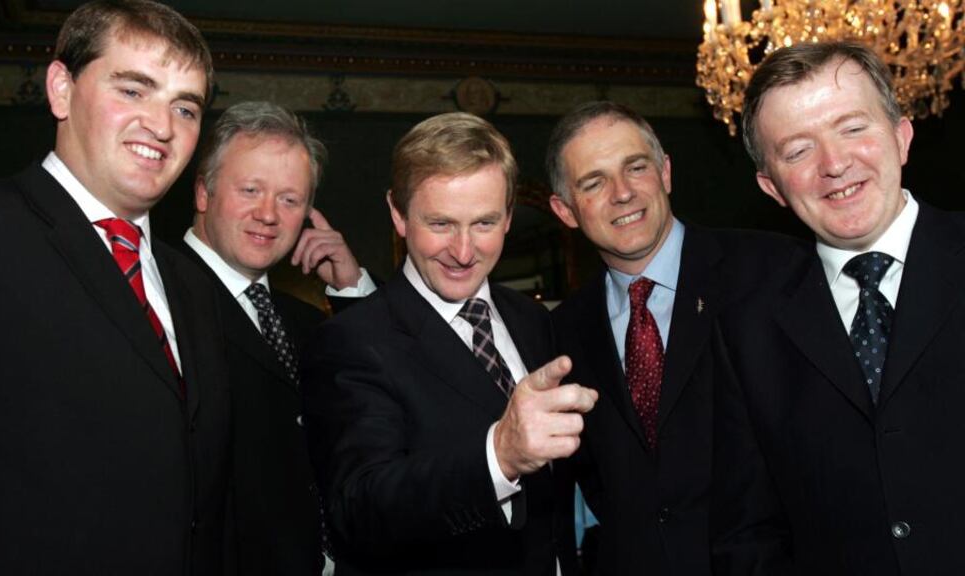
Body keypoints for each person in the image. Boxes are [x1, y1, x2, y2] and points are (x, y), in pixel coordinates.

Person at [0, 1, 230, 574]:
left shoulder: (193, 286)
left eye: (185, 107)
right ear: (61, 90)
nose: (162, 126)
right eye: (133, 90)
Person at [301, 112, 598, 576]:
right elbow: (360, 510)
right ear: (398, 214)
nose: (462, 252)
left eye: (484, 223)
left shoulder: (532, 320)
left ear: (508, 216)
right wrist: (498, 457)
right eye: (440, 224)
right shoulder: (351, 340)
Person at [712, 41, 965, 575]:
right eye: (797, 151)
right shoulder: (747, 329)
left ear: (901, 137)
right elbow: (748, 531)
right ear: (772, 187)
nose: (834, 164)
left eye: (852, 128)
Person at [546, 101, 795, 575]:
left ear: (665, 172)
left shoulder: (770, 271)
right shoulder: (562, 331)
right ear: (566, 210)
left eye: (636, 167)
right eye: (594, 183)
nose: (622, 193)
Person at [182, 100, 375, 576]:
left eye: (290, 200)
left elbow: (383, 411)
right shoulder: (158, 296)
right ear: (203, 192)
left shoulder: (306, 321)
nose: (268, 214)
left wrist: (351, 290)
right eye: (251, 190)